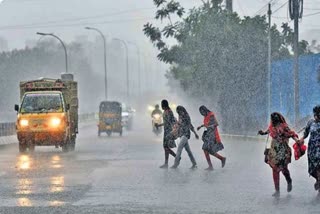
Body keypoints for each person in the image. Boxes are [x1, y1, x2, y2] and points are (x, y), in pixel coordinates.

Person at [258, 112, 299, 197]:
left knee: (284, 169)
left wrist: (296, 140)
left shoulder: (284, 126)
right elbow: (268, 133)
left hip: (283, 151)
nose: (273, 122)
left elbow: (291, 134)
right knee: (275, 169)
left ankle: (288, 180)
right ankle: (277, 190)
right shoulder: (272, 126)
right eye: (273, 120)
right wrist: (262, 133)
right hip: (274, 151)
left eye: (275, 120)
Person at [298, 105, 320, 193]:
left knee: (319, 166)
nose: (317, 116)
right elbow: (306, 133)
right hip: (312, 149)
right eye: (316, 114)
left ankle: (319, 183)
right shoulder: (311, 123)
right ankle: (318, 180)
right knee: (313, 168)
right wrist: (302, 139)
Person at [197, 105, 226, 171]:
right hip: (208, 135)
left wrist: (210, 127)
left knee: (206, 149)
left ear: (205, 110)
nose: (202, 114)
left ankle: (214, 164)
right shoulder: (206, 116)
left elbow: (216, 124)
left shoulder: (211, 115)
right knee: (207, 150)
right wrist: (201, 126)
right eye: (201, 113)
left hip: (212, 135)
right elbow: (207, 124)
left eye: (202, 112)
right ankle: (220, 159)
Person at [156, 100, 177, 169]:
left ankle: (177, 157)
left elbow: (168, 123)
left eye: (162, 104)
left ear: (164, 105)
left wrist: (159, 125)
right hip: (166, 131)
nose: (161, 106)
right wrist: (159, 125)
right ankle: (166, 163)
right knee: (166, 147)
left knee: (166, 147)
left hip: (169, 131)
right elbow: (166, 122)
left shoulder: (169, 112)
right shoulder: (165, 111)